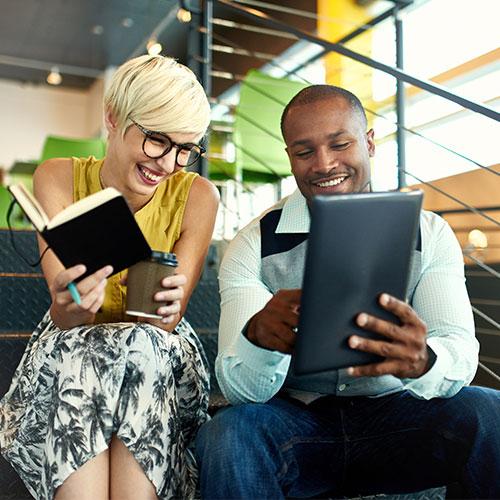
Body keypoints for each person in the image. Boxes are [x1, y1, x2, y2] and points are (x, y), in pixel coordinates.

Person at [195, 85, 500, 499]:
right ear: (290, 158)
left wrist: (425, 360)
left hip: (398, 418)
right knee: (227, 433)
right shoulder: (253, 244)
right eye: (304, 152)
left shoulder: (428, 234)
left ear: (369, 143)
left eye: (340, 144)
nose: (324, 164)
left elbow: (460, 353)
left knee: (490, 413)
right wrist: (259, 339)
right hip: (298, 425)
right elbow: (240, 391)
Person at [0, 54, 219, 500]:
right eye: (158, 140)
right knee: (90, 350)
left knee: (139, 345)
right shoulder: (58, 176)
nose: (170, 163)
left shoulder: (198, 195)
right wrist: (70, 302)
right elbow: (66, 317)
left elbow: (166, 324)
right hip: (74, 345)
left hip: (157, 350)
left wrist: (170, 302)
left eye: (186, 149)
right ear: (113, 117)